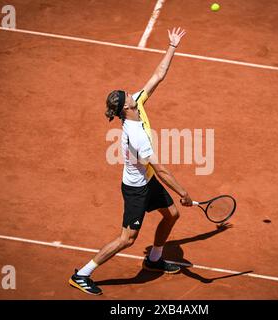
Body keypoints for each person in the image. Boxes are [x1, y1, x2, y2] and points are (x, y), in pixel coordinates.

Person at [69, 27, 191, 295]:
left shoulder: (137, 103)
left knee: (171, 214)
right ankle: (82, 274)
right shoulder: (136, 136)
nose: (131, 94)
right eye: (126, 96)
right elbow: (160, 169)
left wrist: (172, 46)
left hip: (146, 181)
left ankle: (155, 259)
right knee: (128, 239)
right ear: (126, 108)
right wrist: (183, 192)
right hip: (136, 190)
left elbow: (158, 76)